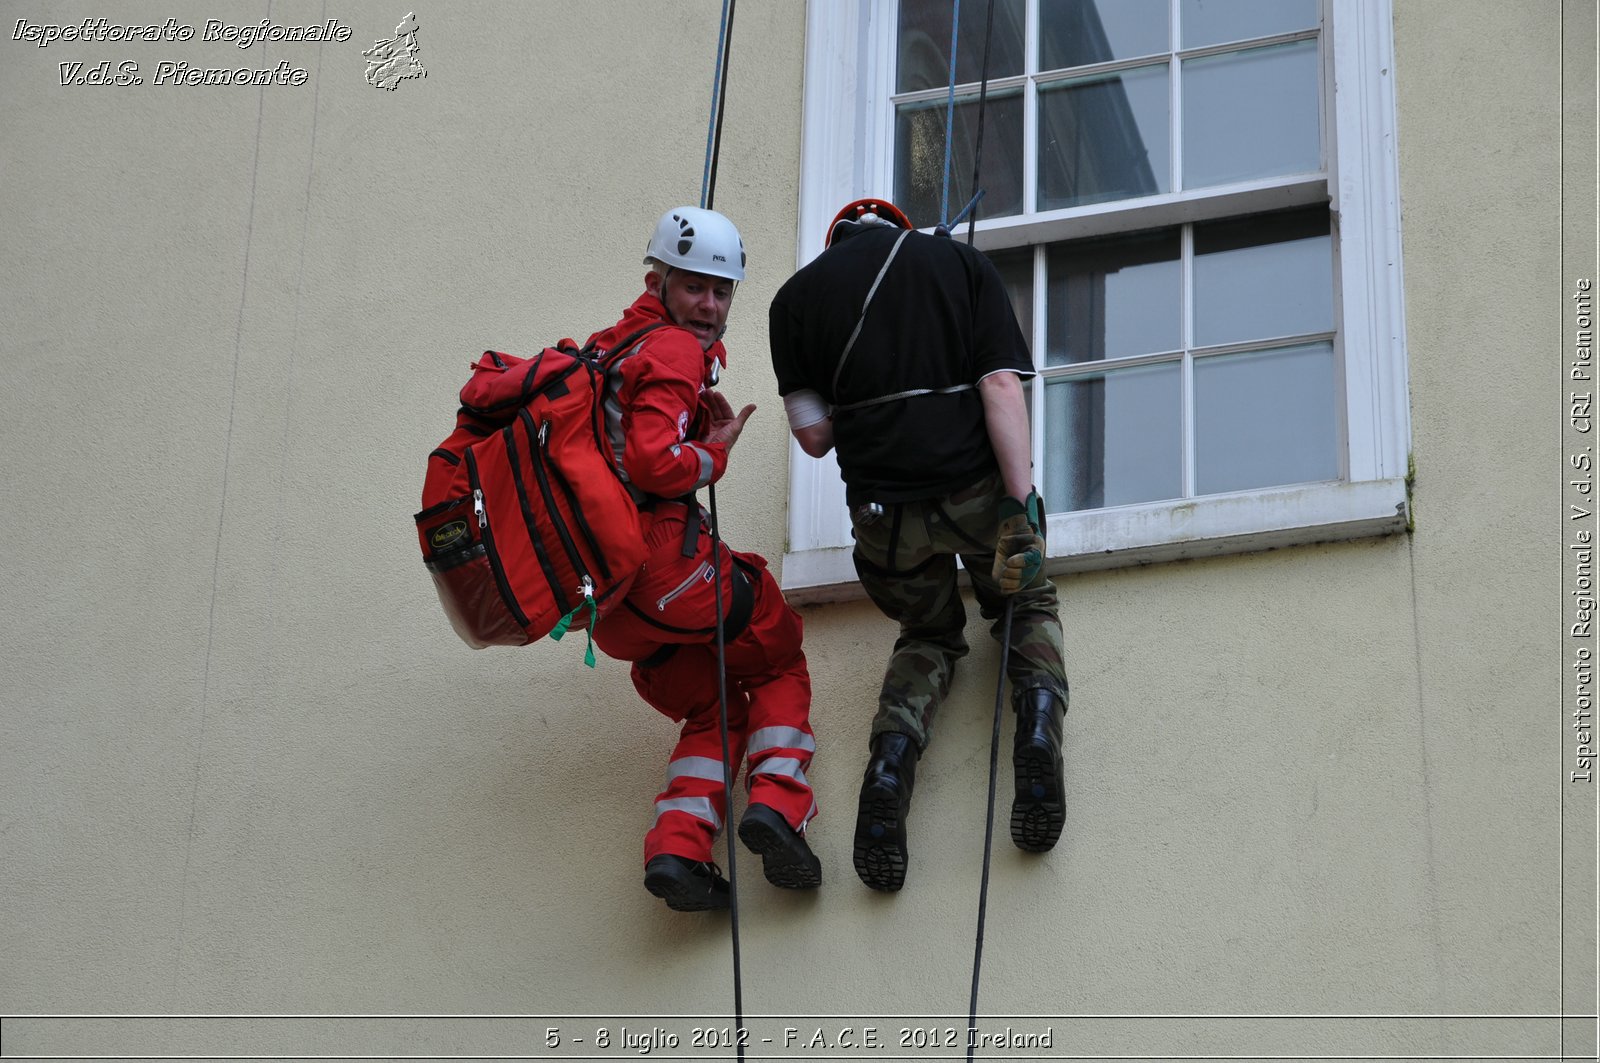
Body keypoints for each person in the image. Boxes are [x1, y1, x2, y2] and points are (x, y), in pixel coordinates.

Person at [767, 198, 1070, 893]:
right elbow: (999, 385)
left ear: (835, 240)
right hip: (973, 491)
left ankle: (890, 766)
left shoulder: (794, 304)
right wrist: (1022, 506)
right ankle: (1037, 729)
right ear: (900, 228)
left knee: (928, 635)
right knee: (1026, 601)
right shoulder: (958, 263)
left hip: (883, 517)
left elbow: (814, 437)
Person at [588, 206, 821, 913]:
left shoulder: (609, 348)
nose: (711, 305)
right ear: (657, 279)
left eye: (723, 292)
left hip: (608, 605)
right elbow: (656, 463)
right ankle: (778, 804)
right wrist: (714, 451)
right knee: (778, 650)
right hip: (666, 572)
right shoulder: (671, 350)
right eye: (695, 286)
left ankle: (679, 851)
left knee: (714, 709)